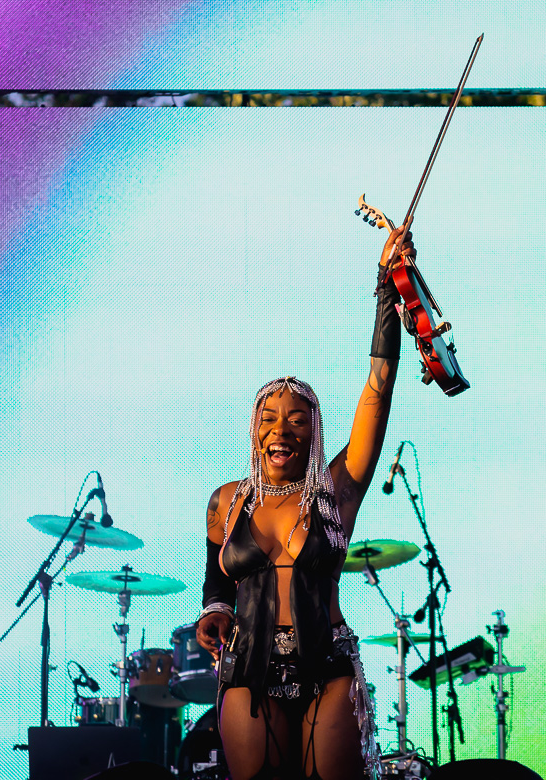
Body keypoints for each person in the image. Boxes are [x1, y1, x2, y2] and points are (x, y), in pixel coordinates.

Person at [195, 218, 415, 780]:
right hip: (247, 668)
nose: (282, 429)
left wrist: (387, 293)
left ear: (314, 433)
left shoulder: (337, 490)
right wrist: (214, 611)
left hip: (327, 667)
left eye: (298, 421)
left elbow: (378, 389)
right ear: (254, 432)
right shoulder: (226, 501)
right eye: (270, 419)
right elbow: (218, 575)